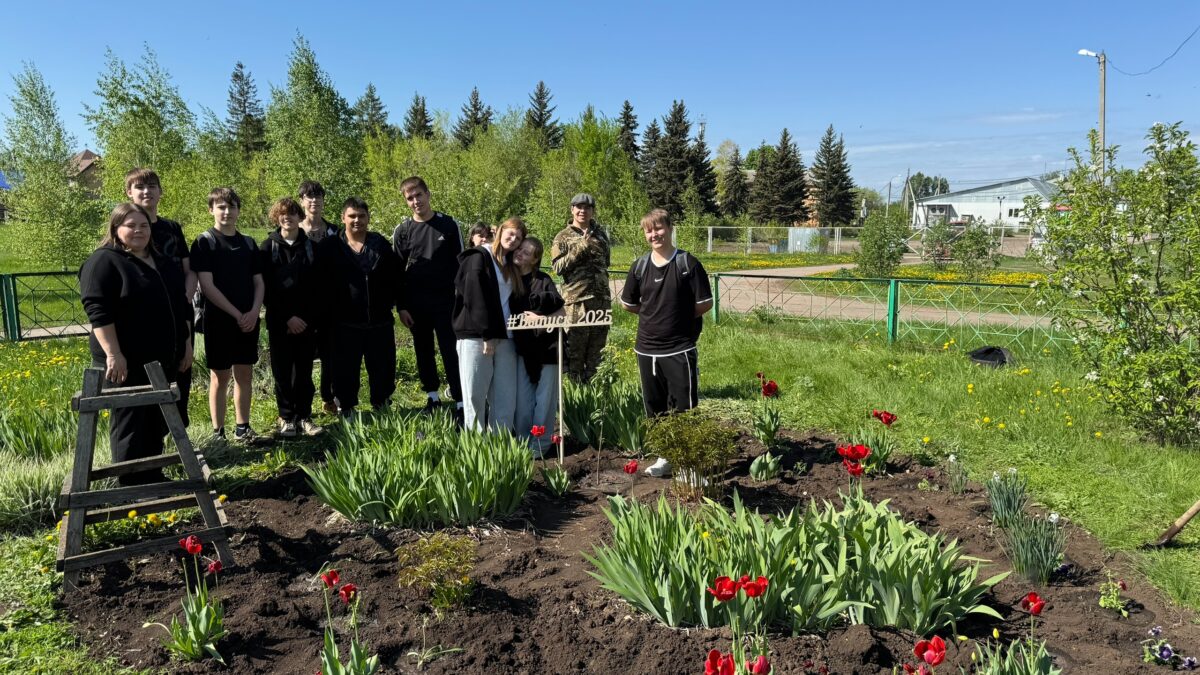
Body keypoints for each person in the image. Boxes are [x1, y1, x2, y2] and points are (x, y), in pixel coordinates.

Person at [79, 204, 191, 485]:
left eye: (144, 225)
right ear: (116, 229)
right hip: (127, 360)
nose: (139, 231)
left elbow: (181, 306)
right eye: (131, 226)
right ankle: (130, 483)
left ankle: (152, 474)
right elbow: (98, 312)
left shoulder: (162, 261)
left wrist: (186, 343)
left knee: (157, 418)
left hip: (163, 358)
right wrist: (113, 353)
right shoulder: (104, 262)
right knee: (131, 421)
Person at [619, 208, 713, 477]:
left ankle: (689, 463)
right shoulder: (639, 267)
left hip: (680, 348)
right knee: (655, 408)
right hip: (646, 349)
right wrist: (653, 314)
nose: (654, 234)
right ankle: (665, 457)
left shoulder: (687, 264)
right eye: (649, 230)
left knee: (685, 408)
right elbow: (628, 304)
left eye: (658, 228)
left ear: (670, 229)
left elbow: (704, 303)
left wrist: (677, 317)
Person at [191, 187, 264, 442]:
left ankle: (243, 428)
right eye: (221, 207)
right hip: (220, 320)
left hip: (248, 320)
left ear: (238, 211)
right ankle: (218, 433)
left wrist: (254, 312)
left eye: (232, 207)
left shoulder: (248, 243)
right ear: (211, 210)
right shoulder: (204, 242)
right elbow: (207, 286)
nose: (227, 212)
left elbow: (259, 282)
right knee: (219, 376)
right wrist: (237, 314)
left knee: (244, 374)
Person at [316, 197, 401, 415]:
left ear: (368, 218)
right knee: (344, 369)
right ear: (343, 218)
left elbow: (395, 277)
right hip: (343, 322)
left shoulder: (380, 244)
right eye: (352, 216)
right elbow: (319, 283)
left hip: (379, 320)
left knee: (382, 367)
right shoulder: (330, 247)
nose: (357, 220)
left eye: (361, 216)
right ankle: (347, 407)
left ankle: (381, 403)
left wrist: (393, 304)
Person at [125, 167, 194, 428]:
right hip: (146, 318)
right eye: (140, 187)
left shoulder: (172, 229)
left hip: (179, 312)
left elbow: (189, 270)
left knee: (181, 374)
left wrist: (184, 299)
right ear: (129, 193)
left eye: (152, 186)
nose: (146, 191)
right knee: (151, 381)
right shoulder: (128, 230)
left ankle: (180, 441)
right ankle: (153, 443)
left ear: (160, 192)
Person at [392, 177, 464, 418]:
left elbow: (462, 266)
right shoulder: (402, 231)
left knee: (451, 350)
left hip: (447, 304)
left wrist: (461, 302)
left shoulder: (449, 225)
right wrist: (401, 307)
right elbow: (396, 274)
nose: (415, 201)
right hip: (416, 305)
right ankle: (432, 397)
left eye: (418, 195)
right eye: (410, 198)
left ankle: (460, 399)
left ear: (428, 194)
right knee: (423, 350)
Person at [453, 217, 526, 432]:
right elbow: (474, 296)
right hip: (477, 337)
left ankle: (499, 445)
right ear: (500, 231)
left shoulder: (510, 264)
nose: (513, 240)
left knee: (504, 398)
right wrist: (486, 334)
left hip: (506, 336)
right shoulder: (478, 257)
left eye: (519, 238)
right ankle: (476, 448)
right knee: (475, 397)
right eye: (511, 234)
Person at [260, 197, 322, 438]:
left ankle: (304, 416)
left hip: (307, 323)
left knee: (304, 373)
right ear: (277, 218)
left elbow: (318, 289)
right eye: (283, 214)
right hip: (279, 323)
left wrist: (305, 319)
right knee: (282, 373)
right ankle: (287, 418)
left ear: (300, 217)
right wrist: (287, 318)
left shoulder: (312, 248)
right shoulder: (267, 248)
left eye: (292, 214)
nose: (287, 218)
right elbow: (265, 289)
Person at [511, 236, 565, 457]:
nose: (520, 253)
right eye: (520, 249)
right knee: (523, 400)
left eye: (527, 252)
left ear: (534, 260)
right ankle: (524, 441)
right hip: (522, 349)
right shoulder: (508, 279)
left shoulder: (542, 280)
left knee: (544, 400)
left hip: (547, 349)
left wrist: (540, 319)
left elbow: (562, 314)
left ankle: (541, 445)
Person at [551, 193, 611, 383]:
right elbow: (557, 268)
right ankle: (577, 397)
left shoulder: (601, 235)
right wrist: (580, 248)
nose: (582, 211)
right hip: (577, 303)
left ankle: (595, 395)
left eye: (587, 207)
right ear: (572, 210)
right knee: (576, 353)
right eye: (578, 207)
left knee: (597, 353)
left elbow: (605, 263)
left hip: (601, 302)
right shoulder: (563, 236)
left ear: (592, 211)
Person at [297, 180, 340, 415]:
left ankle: (329, 397)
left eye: (318, 196)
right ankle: (301, 405)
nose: (314, 201)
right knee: (303, 357)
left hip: (330, 304)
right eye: (309, 197)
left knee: (330, 355)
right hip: (303, 305)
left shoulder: (335, 231)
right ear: (302, 201)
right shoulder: (295, 231)